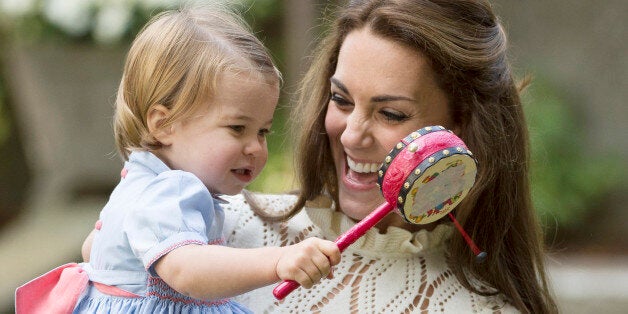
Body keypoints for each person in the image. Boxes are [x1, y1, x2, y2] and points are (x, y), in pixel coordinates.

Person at [222, 0, 558, 313]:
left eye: (391, 114)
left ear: (461, 128)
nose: (351, 135)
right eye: (341, 99)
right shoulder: (215, 229)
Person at [15, 4, 340, 313]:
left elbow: (94, 249)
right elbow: (187, 271)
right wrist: (277, 261)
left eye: (263, 132)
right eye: (237, 128)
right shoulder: (171, 190)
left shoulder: (141, 181)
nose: (254, 147)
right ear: (164, 124)